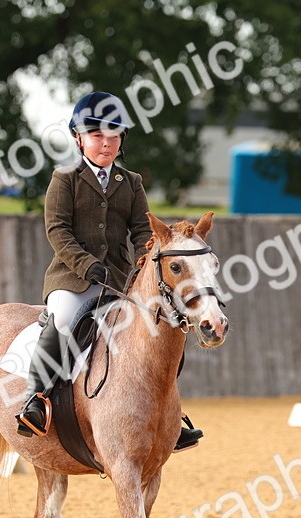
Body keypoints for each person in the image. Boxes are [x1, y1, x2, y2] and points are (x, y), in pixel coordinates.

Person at [15, 91, 204, 452]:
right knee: (64, 318)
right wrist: (89, 267)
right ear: (79, 138)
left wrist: (145, 267)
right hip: (72, 280)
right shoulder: (65, 178)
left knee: (160, 327)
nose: (106, 143)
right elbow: (58, 231)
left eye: (114, 136)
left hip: (118, 283)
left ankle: (169, 415)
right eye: (98, 136)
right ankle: (35, 399)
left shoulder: (130, 182)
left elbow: (143, 233)